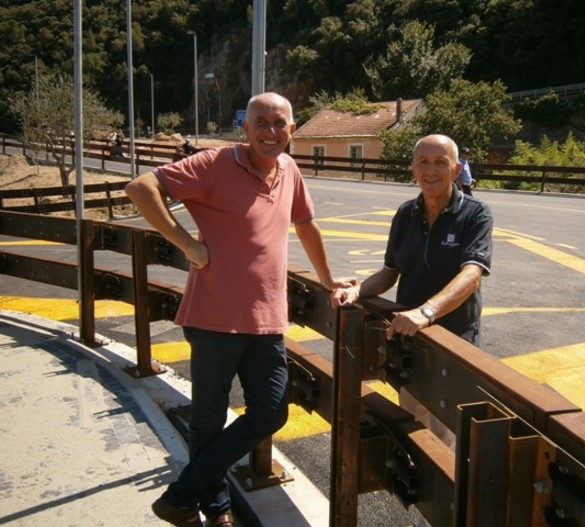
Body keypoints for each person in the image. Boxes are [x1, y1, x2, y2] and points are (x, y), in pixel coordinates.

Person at [126, 92, 350, 527]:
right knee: (208, 420)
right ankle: (216, 509)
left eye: (279, 123)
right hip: (212, 318)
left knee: (271, 411)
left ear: (293, 128)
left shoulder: (289, 169)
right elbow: (141, 188)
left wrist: (327, 279)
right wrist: (188, 244)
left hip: (266, 318)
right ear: (244, 128)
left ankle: (181, 496)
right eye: (261, 123)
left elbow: (305, 224)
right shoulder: (214, 163)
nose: (270, 132)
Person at [331, 134, 492, 346]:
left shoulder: (475, 214)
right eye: (423, 162)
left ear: (456, 170)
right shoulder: (406, 213)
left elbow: (472, 276)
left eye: (441, 162)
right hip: (409, 330)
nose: (431, 170)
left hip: (456, 339)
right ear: (413, 169)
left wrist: (426, 312)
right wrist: (355, 291)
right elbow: (389, 272)